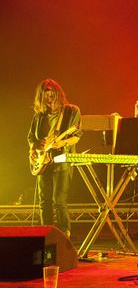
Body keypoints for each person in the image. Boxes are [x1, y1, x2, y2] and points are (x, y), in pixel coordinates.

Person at [27, 79, 81, 237]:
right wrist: (35, 147)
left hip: (61, 160)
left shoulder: (71, 111)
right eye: (45, 91)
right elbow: (31, 137)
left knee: (59, 200)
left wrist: (62, 142)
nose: (48, 94)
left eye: (51, 90)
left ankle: (64, 235)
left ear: (57, 92)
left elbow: (76, 135)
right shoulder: (39, 115)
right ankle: (46, 235)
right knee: (44, 201)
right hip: (43, 161)